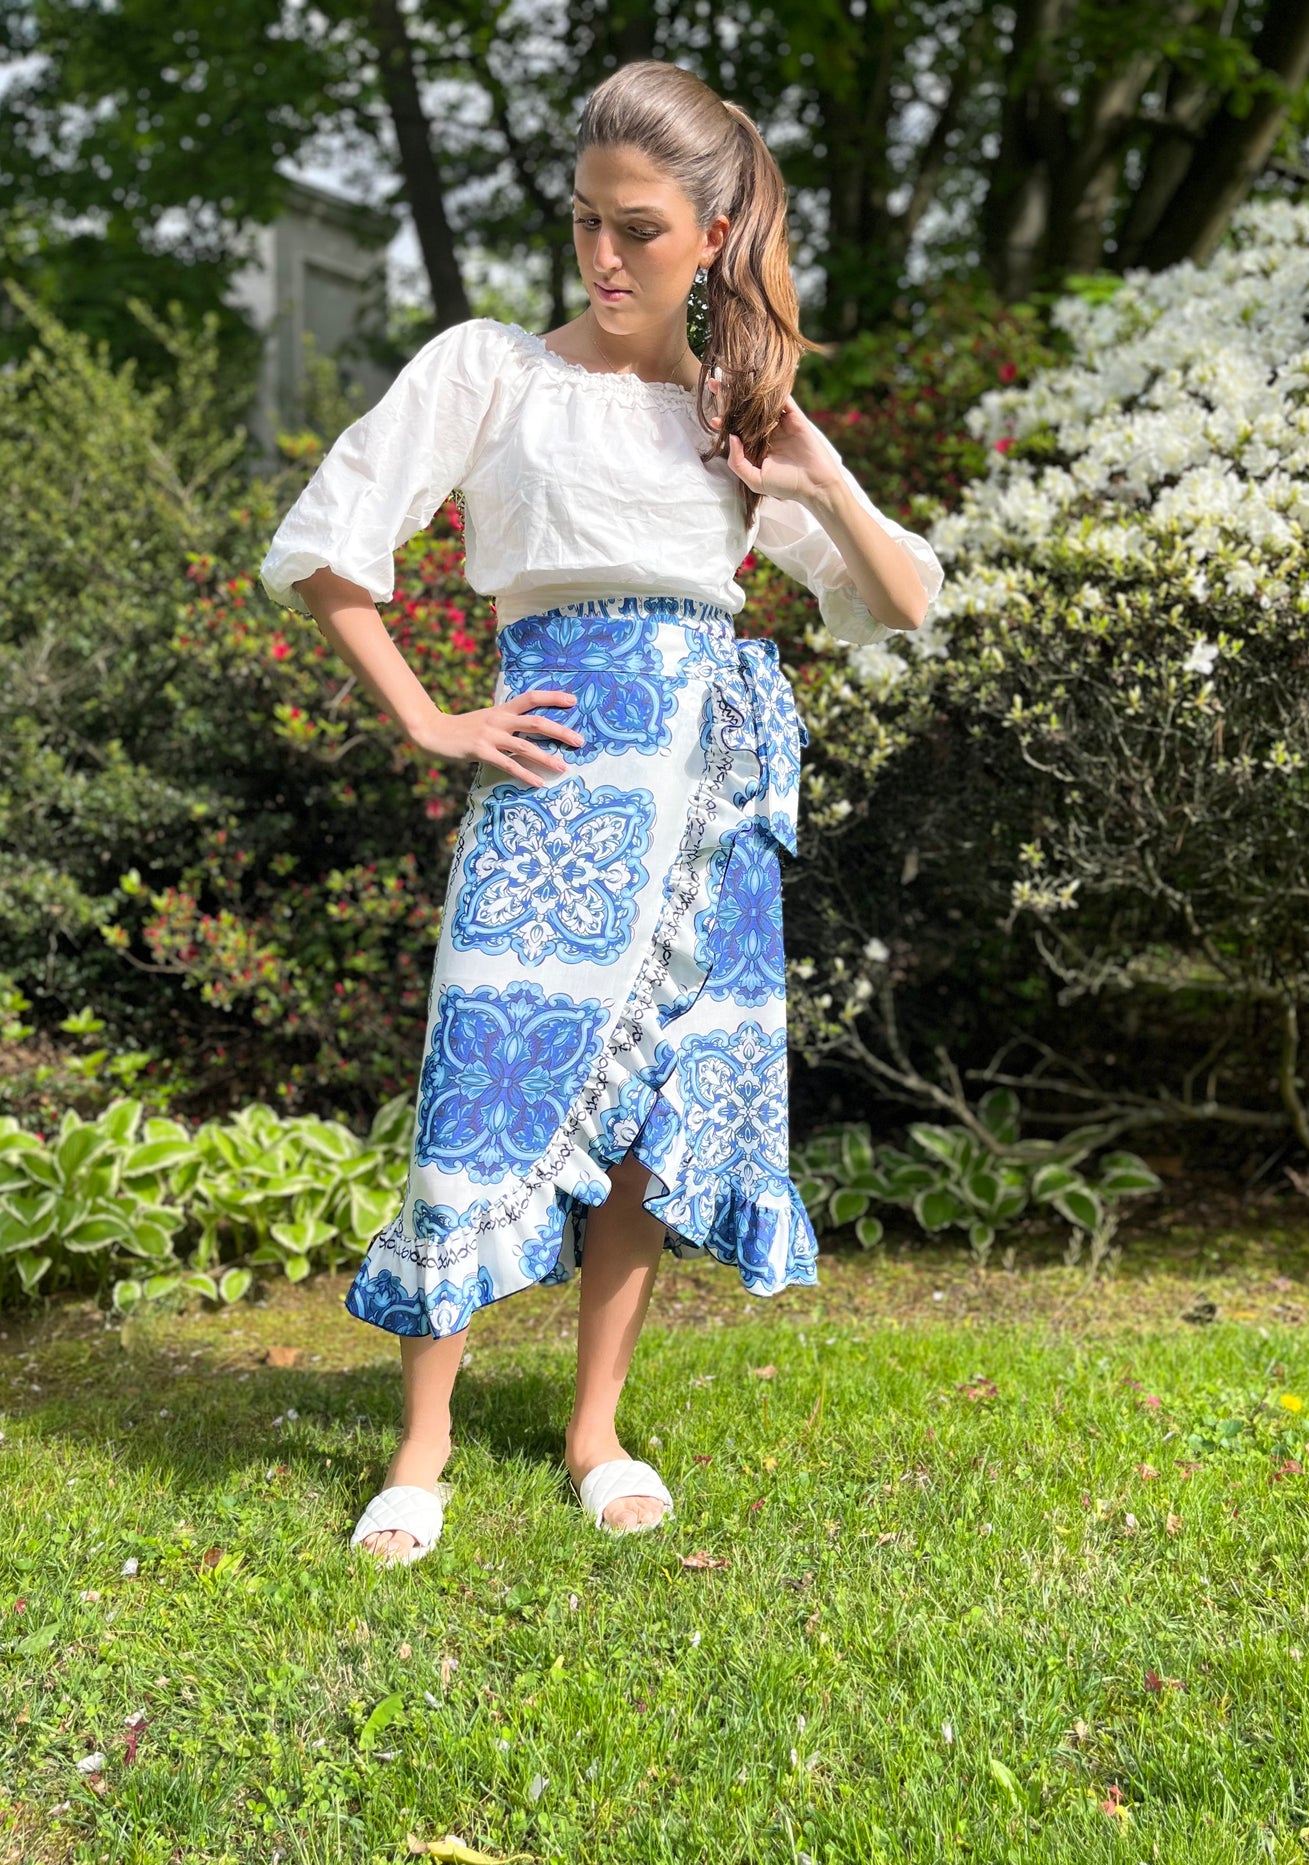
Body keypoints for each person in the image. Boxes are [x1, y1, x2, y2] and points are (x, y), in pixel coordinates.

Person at [258, 58, 944, 1564]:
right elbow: (330, 541)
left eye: (637, 227)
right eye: (585, 222)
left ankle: (592, 1428)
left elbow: (895, 605)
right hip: (553, 786)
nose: (603, 254)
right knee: (479, 1090)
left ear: (710, 237)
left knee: (642, 1124)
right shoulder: (492, 370)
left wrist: (819, 477)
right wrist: (432, 714)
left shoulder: (729, 416)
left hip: (702, 802)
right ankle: (421, 1443)